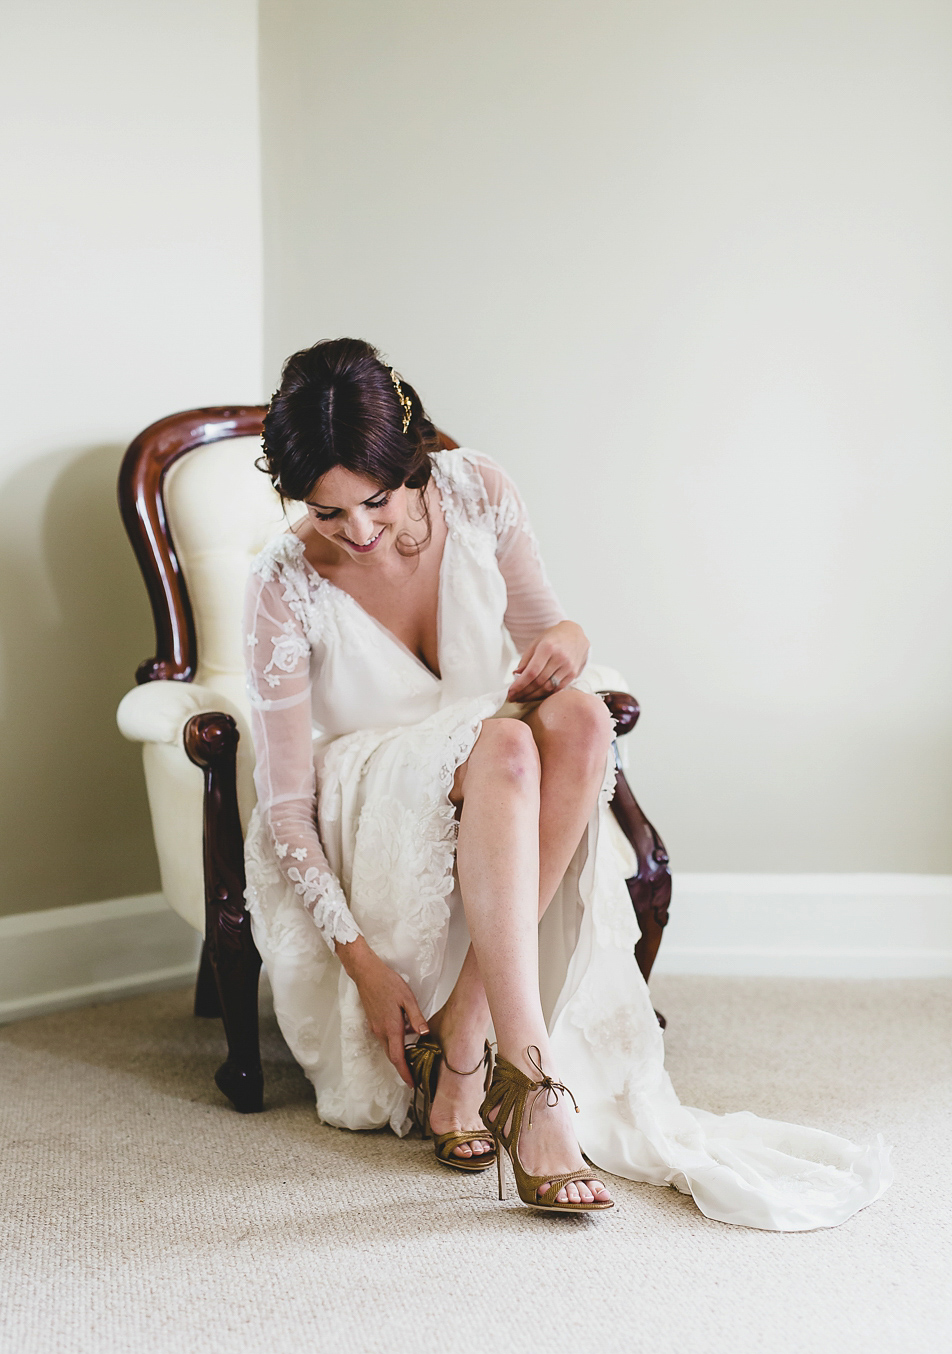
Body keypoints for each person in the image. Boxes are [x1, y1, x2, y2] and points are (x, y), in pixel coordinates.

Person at [243, 338, 891, 1227]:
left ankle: (472, 1044)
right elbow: (282, 807)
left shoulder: (477, 490)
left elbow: (552, 632)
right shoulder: (281, 581)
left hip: (495, 759)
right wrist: (360, 963)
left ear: (410, 458)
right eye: (325, 511)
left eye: (376, 501)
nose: (357, 531)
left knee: (578, 718)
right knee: (509, 750)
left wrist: (570, 646)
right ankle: (536, 1084)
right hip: (381, 791)